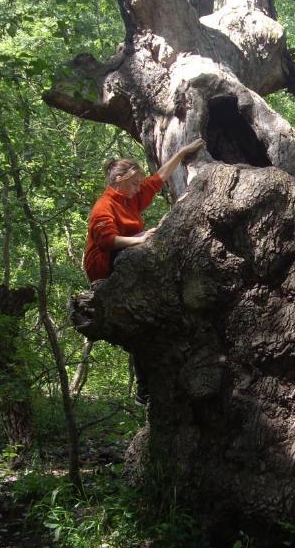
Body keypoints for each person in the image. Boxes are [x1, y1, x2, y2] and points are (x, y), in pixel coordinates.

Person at [83, 138, 205, 405]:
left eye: (138, 183)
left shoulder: (129, 198)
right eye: (134, 182)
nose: (139, 187)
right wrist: (140, 239)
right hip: (105, 265)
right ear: (119, 179)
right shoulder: (104, 206)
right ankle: (145, 388)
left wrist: (181, 153)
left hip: (126, 257)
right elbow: (106, 241)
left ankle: (151, 384)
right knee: (141, 320)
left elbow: (156, 180)